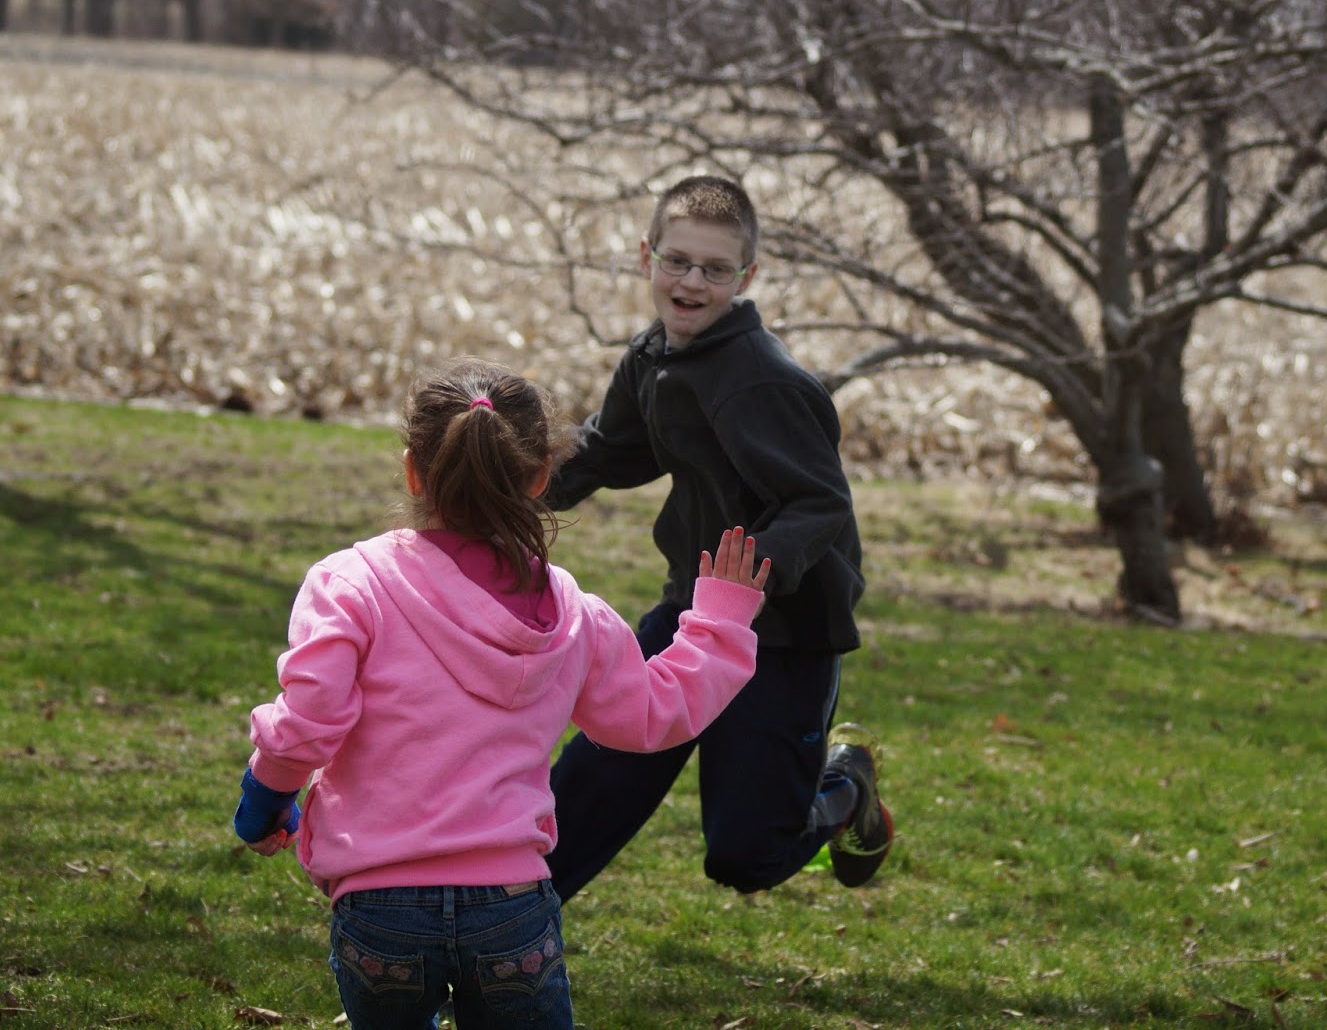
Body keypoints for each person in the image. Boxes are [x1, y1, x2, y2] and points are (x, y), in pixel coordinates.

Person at [231, 358, 772, 1030]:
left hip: (379, 909)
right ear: (541, 477)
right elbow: (654, 715)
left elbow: (307, 724)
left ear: (412, 470)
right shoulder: (571, 613)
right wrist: (719, 622)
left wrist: (264, 803)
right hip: (512, 908)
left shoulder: (349, 585)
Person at [542, 174, 892, 901]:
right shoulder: (654, 357)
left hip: (783, 634)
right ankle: (502, 935)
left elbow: (820, 500)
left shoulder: (763, 382)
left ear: (746, 276)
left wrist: (751, 575)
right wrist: (511, 494)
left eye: (715, 269)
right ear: (647, 257)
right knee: (582, 798)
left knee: (745, 855)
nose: (692, 282)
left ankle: (846, 786)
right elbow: (609, 451)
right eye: (677, 261)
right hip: (689, 611)